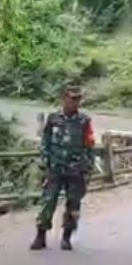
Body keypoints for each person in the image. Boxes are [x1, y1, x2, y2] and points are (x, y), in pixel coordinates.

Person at [30, 85, 96, 251]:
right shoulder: (53, 119)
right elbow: (45, 141)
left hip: (76, 168)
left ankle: (66, 238)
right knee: (48, 202)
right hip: (55, 166)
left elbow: (89, 145)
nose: (75, 102)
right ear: (64, 98)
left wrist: (89, 166)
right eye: (72, 98)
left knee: (73, 204)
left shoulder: (84, 121)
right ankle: (40, 236)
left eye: (78, 99)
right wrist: (45, 160)